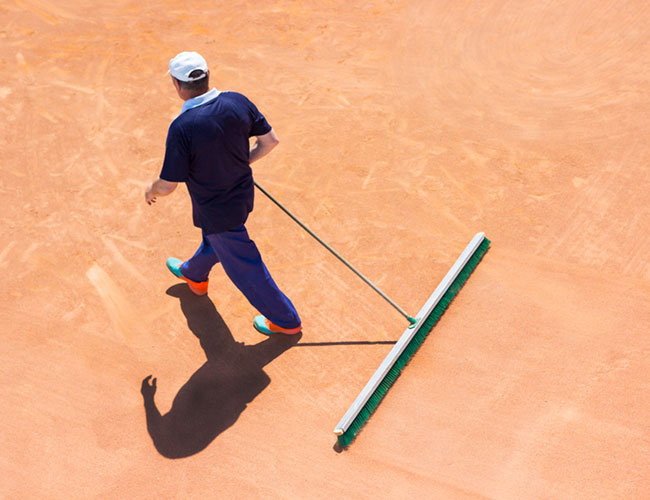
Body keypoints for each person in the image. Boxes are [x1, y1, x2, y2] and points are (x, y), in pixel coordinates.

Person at [145, 51, 301, 335]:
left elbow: (168, 185)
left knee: (244, 265)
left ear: (176, 85)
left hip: (216, 210)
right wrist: (241, 162)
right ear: (207, 76)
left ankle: (286, 320)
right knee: (219, 240)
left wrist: (150, 189)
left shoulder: (182, 127)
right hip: (242, 197)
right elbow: (270, 141)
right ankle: (194, 273)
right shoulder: (237, 101)